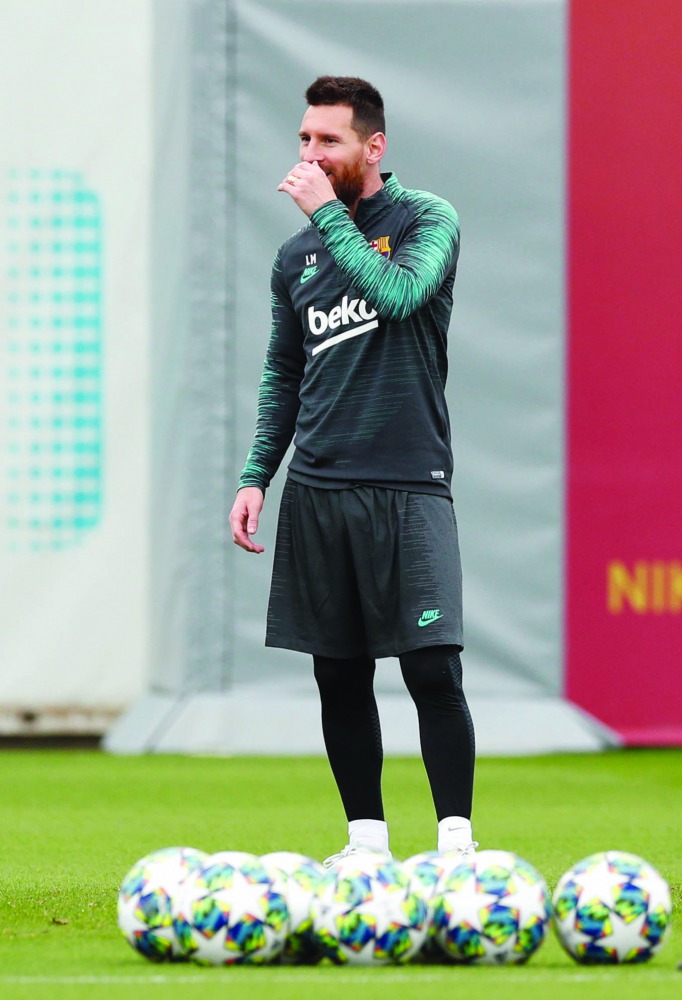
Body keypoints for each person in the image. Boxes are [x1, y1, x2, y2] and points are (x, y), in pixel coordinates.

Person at [229, 76, 476, 865]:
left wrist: (329, 218)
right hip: (319, 488)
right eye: (304, 139)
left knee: (432, 669)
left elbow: (400, 296)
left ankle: (456, 846)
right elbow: (284, 371)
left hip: (408, 482)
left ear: (373, 147)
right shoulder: (295, 256)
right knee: (339, 675)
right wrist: (257, 475)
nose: (309, 154)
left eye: (327, 140)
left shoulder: (426, 218)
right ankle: (366, 843)